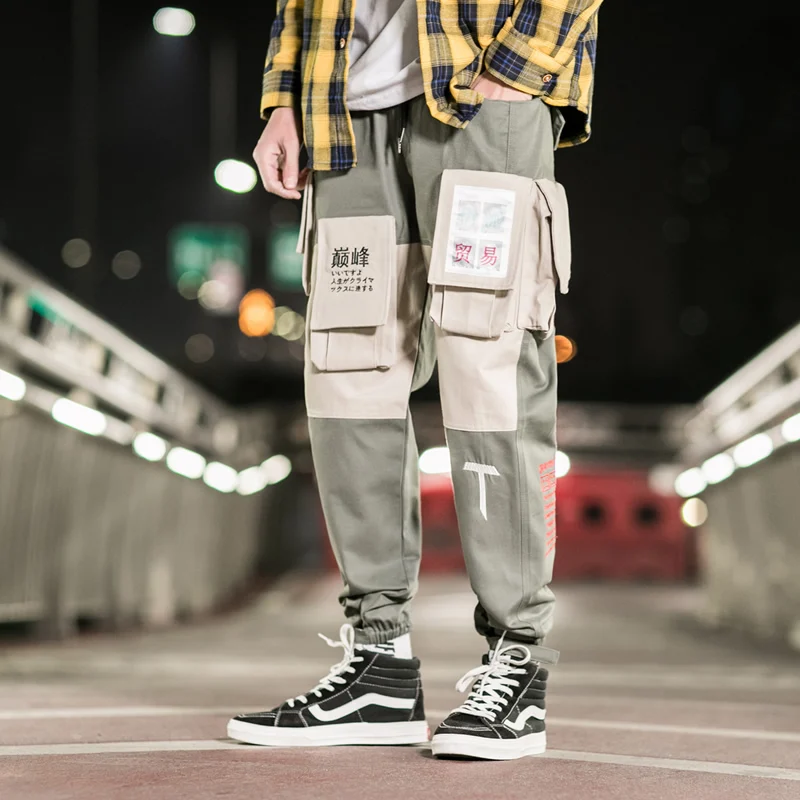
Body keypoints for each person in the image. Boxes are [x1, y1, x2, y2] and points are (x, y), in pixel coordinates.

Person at [227, 0, 603, 761]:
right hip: (342, 113)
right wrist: (283, 98)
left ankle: (517, 659)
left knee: (489, 366)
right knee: (349, 378)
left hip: (479, 92)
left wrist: (516, 67)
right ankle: (379, 667)